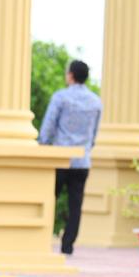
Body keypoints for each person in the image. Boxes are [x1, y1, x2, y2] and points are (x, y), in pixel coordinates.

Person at [38, 59, 102, 255]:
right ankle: (67, 246)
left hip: (60, 158)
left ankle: (42, 240)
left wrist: (42, 145)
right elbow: (94, 133)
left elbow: (48, 127)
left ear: (71, 75)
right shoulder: (95, 101)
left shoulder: (61, 97)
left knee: (49, 199)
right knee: (76, 205)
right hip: (82, 161)